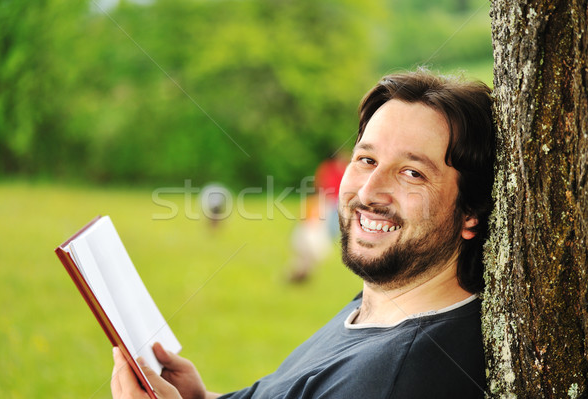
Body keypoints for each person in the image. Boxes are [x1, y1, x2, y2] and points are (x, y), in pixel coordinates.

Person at [111, 69, 495, 398]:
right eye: (366, 160)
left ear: (470, 214)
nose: (368, 191)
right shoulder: (380, 304)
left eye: (412, 172)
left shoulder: (395, 378)